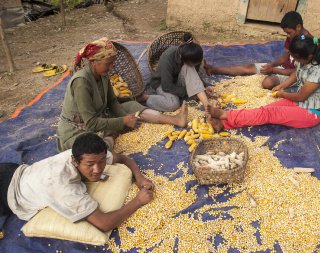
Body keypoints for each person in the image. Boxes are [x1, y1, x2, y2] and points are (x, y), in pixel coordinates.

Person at [0, 133, 154, 234]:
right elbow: (104, 223)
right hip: (7, 193)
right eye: (90, 164)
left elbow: (122, 158)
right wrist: (138, 201)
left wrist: (139, 177)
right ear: (74, 161)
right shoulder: (62, 186)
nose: (98, 169)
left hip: (14, 170)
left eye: (101, 162)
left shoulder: (88, 154)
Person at [57, 37, 188, 152]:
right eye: (108, 63)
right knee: (98, 150)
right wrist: (123, 121)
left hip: (99, 115)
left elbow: (112, 102)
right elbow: (91, 123)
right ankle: (112, 136)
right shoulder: (81, 82)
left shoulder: (102, 75)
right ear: (94, 61)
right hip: (78, 130)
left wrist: (126, 117)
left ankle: (176, 120)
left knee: (131, 106)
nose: (111, 67)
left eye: (112, 63)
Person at [206, 35, 320, 131]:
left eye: (296, 58)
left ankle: (225, 115)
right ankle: (225, 124)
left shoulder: (319, 71)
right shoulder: (305, 60)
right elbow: (296, 74)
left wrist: (283, 94)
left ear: (308, 56)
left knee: (269, 114)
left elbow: (301, 96)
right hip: (301, 102)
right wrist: (282, 85)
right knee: (265, 110)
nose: (294, 60)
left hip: (312, 112)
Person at [204, 11, 312, 90]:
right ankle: (214, 69)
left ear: (298, 27)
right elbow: (285, 56)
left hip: (296, 75)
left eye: (289, 33)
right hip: (284, 68)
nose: (288, 36)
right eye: (286, 33)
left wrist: (274, 70)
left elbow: (296, 73)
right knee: (248, 68)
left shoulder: (308, 44)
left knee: (268, 83)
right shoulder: (293, 36)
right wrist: (272, 64)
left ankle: (273, 76)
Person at [141, 32, 213, 112]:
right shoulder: (168, 57)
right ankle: (146, 98)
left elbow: (193, 75)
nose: (194, 67)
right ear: (183, 59)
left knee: (189, 69)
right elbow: (166, 86)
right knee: (173, 104)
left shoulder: (190, 58)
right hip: (162, 82)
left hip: (177, 80)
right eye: (192, 64)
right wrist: (189, 91)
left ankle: (207, 105)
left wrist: (203, 86)